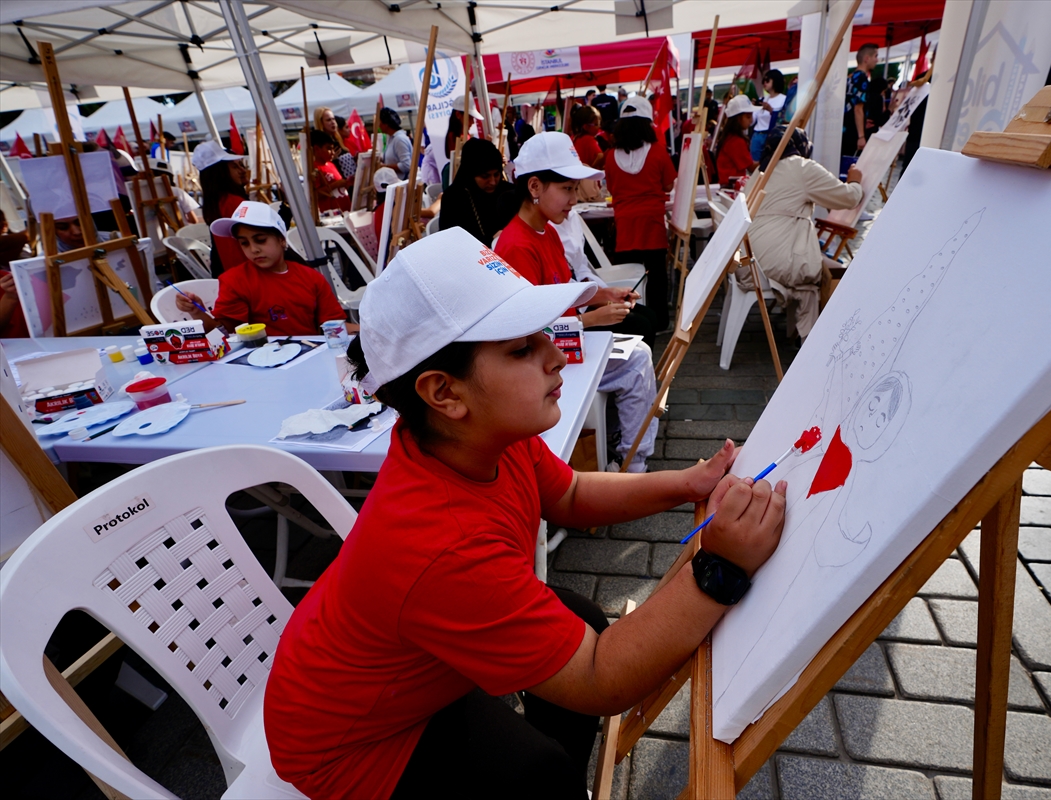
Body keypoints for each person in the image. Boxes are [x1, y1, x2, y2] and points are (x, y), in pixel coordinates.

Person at [262, 225, 787, 798]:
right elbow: (598, 677)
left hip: (401, 671)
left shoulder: (484, 439)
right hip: (351, 741)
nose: (556, 353)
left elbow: (570, 495)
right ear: (444, 393)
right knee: (541, 773)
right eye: (520, 348)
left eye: (543, 334)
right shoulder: (439, 542)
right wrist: (719, 571)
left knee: (583, 621)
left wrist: (686, 484)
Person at [495, 131, 662, 470]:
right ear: (535, 187)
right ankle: (633, 463)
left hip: (567, 345)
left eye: (574, 189)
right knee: (638, 359)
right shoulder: (516, 246)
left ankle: (626, 451)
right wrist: (590, 320)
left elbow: (565, 286)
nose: (574, 199)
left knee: (638, 352)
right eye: (567, 189)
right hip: (546, 359)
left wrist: (605, 295)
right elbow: (526, 329)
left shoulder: (548, 231)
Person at [745, 125, 862, 347]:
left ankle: (810, 338)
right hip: (776, 260)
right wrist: (855, 181)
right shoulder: (800, 167)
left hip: (750, 260)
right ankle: (815, 345)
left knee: (818, 266)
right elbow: (848, 198)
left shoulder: (760, 172)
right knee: (824, 274)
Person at [176, 201, 345, 335]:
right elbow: (223, 332)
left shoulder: (311, 277)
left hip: (312, 356)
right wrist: (197, 313)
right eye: (244, 243)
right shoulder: (235, 280)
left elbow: (335, 325)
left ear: (282, 240)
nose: (253, 249)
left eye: (261, 240)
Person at [604, 96, 677, 330]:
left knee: (630, 276)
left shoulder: (610, 156)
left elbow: (613, 188)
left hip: (625, 220)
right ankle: (660, 321)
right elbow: (668, 185)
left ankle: (631, 319)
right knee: (656, 274)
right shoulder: (657, 151)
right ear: (648, 124)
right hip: (652, 219)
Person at [437, 138, 509, 244]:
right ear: (470, 174)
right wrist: (491, 241)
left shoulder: (507, 192)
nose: (493, 182)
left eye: (497, 174)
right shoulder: (453, 198)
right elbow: (450, 243)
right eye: (485, 176)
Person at [195, 139, 250, 277]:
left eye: (241, 165)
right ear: (221, 173)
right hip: (249, 273)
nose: (242, 170)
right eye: (234, 167)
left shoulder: (215, 202)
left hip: (232, 274)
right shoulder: (233, 202)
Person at [843, 43, 879, 157]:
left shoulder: (850, 76)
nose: (877, 60)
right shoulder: (862, 79)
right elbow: (858, 108)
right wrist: (861, 136)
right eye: (875, 56)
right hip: (852, 132)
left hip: (845, 129)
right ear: (866, 59)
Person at [715, 93, 756, 187]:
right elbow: (751, 167)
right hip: (732, 189)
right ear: (738, 119)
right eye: (748, 117)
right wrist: (770, 159)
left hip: (729, 186)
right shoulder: (736, 141)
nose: (751, 120)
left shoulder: (729, 138)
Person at [149, 158, 201, 225]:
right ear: (170, 176)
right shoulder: (177, 191)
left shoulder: (144, 194)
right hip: (178, 232)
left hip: (152, 234)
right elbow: (194, 220)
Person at [311, 130, 352, 214]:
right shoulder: (314, 168)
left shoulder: (331, 164)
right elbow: (314, 194)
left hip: (345, 212)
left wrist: (346, 183)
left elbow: (340, 188)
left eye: (333, 148)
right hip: (331, 216)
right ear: (317, 149)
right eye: (329, 148)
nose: (333, 152)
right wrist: (336, 184)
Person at [750, 69, 788, 162]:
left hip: (772, 135)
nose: (764, 83)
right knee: (755, 164)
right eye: (763, 81)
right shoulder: (762, 99)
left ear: (775, 81)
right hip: (757, 135)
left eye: (767, 80)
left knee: (770, 163)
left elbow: (783, 119)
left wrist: (771, 110)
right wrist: (751, 109)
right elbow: (752, 120)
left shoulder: (784, 99)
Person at [379, 107, 413, 178]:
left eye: (380, 122)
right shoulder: (391, 138)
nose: (379, 125)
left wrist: (385, 167)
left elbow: (406, 165)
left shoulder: (399, 139)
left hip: (401, 184)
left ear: (386, 124)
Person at [569, 105, 605, 169]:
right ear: (586, 127)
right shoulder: (589, 139)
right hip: (589, 177)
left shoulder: (573, 137)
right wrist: (592, 168)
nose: (599, 126)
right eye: (596, 124)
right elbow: (600, 155)